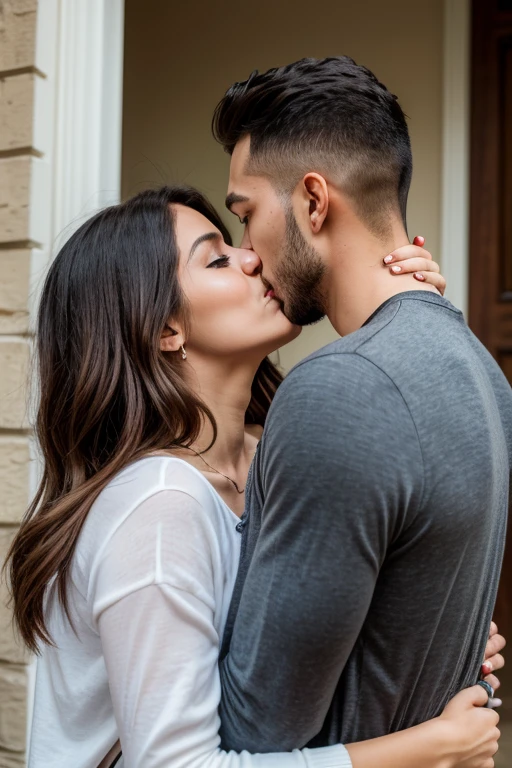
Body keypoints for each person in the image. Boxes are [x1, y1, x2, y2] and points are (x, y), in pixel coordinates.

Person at [4, 186, 502, 768]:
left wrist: (407, 316)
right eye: (216, 258)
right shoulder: (158, 507)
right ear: (165, 328)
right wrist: (427, 749)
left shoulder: (277, 451)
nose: (252, 258)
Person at [212, 57, 512, 753]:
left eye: (247, 214)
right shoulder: (481, 370)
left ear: (314, 202)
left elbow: (258, 730)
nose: (249, 253)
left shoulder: (339, 390)